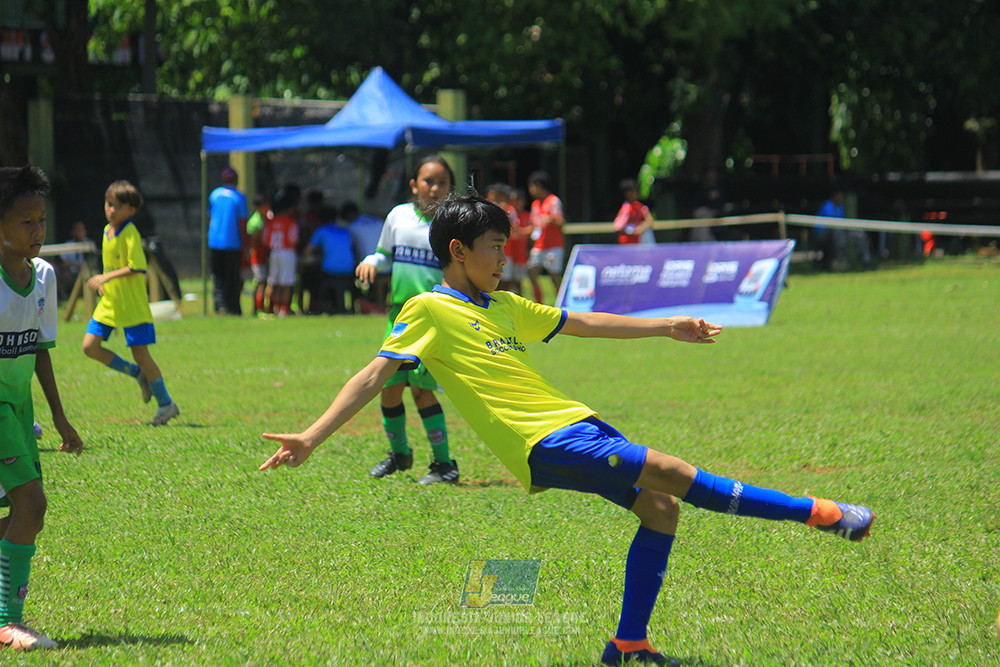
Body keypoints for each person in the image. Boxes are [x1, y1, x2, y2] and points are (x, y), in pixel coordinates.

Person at [260, 191, 875, 666]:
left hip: (576, 422)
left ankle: (629, 645)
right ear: (458, 252)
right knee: (675, 474)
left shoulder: (501, 306)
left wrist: (666, 327)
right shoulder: (427, 310)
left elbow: (581, 321)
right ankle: (815, 512)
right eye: (495, 247)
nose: (506, 258)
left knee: (661, 508)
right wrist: (312, 437)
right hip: (544, 443)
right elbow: (375, 374)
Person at [0, 166, 83, 651]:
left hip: (18, 406)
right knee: (32, 504)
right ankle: (9, 621)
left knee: (20, 513)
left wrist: (58, 415)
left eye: (41, 220)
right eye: (25, 221)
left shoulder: (44, 278)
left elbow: (40, 349)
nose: (37, 231)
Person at [355, 155, 459, 485]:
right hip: (399, 317)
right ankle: (400, 454)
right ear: (414, 185)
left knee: (422, 392)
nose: (435, 188)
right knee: (389, 388)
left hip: (434, 319)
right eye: (429, 181)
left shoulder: (452, 225)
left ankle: (445, 465)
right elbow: (384, 253)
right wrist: (372, 261)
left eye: (443, 182)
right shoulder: (398, 216)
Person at [82, 181, 180, 426]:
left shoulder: (130, 232)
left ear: (131, 210)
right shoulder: (106, 232)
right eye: (109, 204)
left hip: (132, 305)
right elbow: (110, 265)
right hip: (110, 303)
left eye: (118, 206)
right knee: (90, 347)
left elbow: (136, 267)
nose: (111, 210)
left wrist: (106, 277)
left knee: (142, 355)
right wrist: (105, 283)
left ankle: (167, 404)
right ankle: (136, 374)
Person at [207, 166, 248, 315]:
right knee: (232, 276)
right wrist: (245, 242)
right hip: (233, 243)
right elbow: (242, 222)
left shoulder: (214, 195)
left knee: (218, 276)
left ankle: (220, 306)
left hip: (214, 241)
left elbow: (209, 218)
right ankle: (233, 306)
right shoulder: (239, 197)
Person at [305, 205, 356, 315]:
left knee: (309, 278)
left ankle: (319, 307)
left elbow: (307, 251)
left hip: (331, 270)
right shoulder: (345, 231)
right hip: (349, 269)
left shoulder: (321, 231)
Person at [527, 170, 565, 303]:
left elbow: (561, 223)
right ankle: (539, 302)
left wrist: (551, 219)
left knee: (554, 276)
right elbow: (533, 226)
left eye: (532, 186)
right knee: (532, 271)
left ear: (538, 185)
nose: (530, 190)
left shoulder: (553, 201)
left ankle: (561, 302)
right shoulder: (535, 204)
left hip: (554, 245)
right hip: (539, 244)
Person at [344, 201, 388, 313]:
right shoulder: (377, 221)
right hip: (388, 263)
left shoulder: (351, 227)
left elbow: (351, 249)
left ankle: (373, 306)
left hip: (372, 267)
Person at [264, 186, 300, 318]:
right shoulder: (291, 222)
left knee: (273, 281)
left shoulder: (272, 222)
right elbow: (293, 238)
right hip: (287, 252)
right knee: (286, 282)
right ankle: (284, 309)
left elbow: (265, 239)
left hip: (274, 252)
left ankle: (272, 307)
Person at [245, 194, 272, 316]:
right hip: (257, 257)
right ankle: (258, 309)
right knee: (260, 282)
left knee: (264, 282)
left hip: (265, 256)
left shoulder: (266, 219)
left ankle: (264, 308)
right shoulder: (256, 222)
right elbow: (253, 242)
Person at [503, 188, 533, 294]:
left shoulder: (527, 215)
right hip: (509, 252)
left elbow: (531, 231)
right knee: (506, 281)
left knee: (518, 281)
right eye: (512, 200)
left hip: (520, 254)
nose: (515, 203)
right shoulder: (509, 212)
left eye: (518, 200)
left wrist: (520, 233)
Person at [55, 220, 91, 300]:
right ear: (72, 232)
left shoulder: (89, 245)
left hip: (84, 273)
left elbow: (90, 264)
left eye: (81, 230)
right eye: (77, 230)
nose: (79, 233)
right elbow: (63, 262)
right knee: (58, 273)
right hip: (70, 274)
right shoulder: (68, 245)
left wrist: (72, 264)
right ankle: (64, 298)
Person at [614, 178, 654, 245]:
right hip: (626, 244)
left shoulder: (641, 207)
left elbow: (649, 220)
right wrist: (630, 230)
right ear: (628, 193)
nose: (636, 193)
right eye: (634, 191)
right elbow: (617, 226)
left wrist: (641, 228)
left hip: (636, 243)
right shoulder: (625, 209)